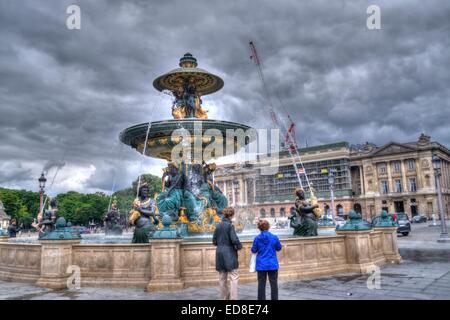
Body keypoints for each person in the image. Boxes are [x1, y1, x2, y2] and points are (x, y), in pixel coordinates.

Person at [212, 207, 242, 300]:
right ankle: (233, 298)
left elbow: (214, 241)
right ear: (231, 215)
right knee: (234, 276)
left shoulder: (218, 225)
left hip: (220, 253)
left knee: (222, 277)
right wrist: (239, 246)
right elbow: (234, 239)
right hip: (229, 253)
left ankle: (224, 298)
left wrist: (220, 244)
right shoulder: (230, 226)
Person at [251, 219, 282, 300]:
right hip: (272, 264)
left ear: (259, 228)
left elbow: (254, 250)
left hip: (261, 264)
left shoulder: (257, 238)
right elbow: (279, 248)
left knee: (261, 284)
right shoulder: (274, 237)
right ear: (268, 227)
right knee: (274, 284)